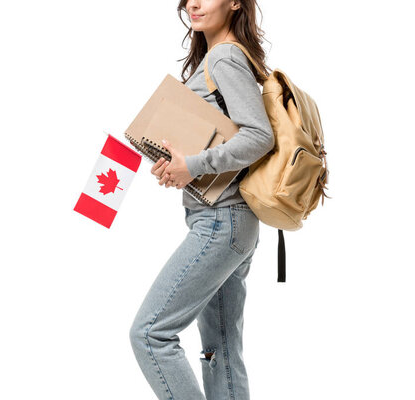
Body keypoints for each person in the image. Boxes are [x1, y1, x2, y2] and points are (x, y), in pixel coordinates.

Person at [129, 1, 274, 399]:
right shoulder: (217, 57)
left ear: (235, 3)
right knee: (221, 351)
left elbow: (260, 136)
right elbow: (229, 140)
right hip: (230, 222)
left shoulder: (225, 56)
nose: (194, 2)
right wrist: (180, 168)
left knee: (150, 333)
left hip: (221, 222)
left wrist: (192, 165)